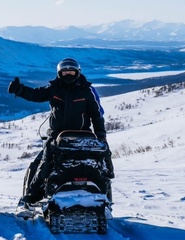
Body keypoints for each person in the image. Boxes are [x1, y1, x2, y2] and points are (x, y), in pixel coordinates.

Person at [8, 58, 114, 204]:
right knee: (40, 163)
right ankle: (33, 196)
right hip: (57, 136)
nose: (68, 74)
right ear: (59, 73)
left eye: (71, 71)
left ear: (77, 72)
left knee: (101, 159)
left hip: (81, 136)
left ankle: (30, 198)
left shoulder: (87, 91)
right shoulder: (53, 88)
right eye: (65, 72)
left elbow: (97, 115)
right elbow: (36, 95)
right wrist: (19, 90)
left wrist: (101, 137)